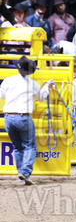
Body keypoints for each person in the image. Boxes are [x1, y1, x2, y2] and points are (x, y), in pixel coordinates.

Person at [0, 56, 52, 185]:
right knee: (30, 146)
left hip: (8, 117)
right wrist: (47, 87)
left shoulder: (7, 81)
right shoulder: (33, 84)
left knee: (18, 147)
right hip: (23, 117)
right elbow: (41, 97)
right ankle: (25, 172)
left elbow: (2, 95)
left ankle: (21, 174)